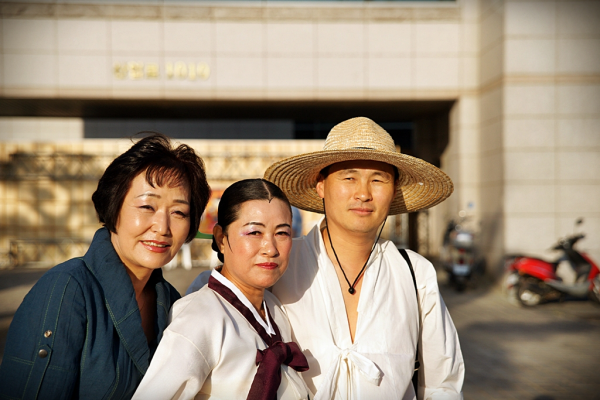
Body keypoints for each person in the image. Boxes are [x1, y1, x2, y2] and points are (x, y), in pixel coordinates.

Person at [263, 117, 464, 400]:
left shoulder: (415, 272)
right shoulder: (281, 263)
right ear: (321, 185)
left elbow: (443, 384)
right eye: (349, 177)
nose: (363, 193)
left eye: (378, 179)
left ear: (393, 190)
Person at [0, 133, 211, 399]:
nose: (162, 227)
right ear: (114, 206)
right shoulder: (68, 289)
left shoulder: (171, 301)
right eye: (147, 206)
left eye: (179, 212)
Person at [133, 179, 312, 400]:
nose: (270, 248)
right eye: (255, 232)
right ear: (221, 238)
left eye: (282, 233)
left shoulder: (275, 308)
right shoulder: (199, 317)